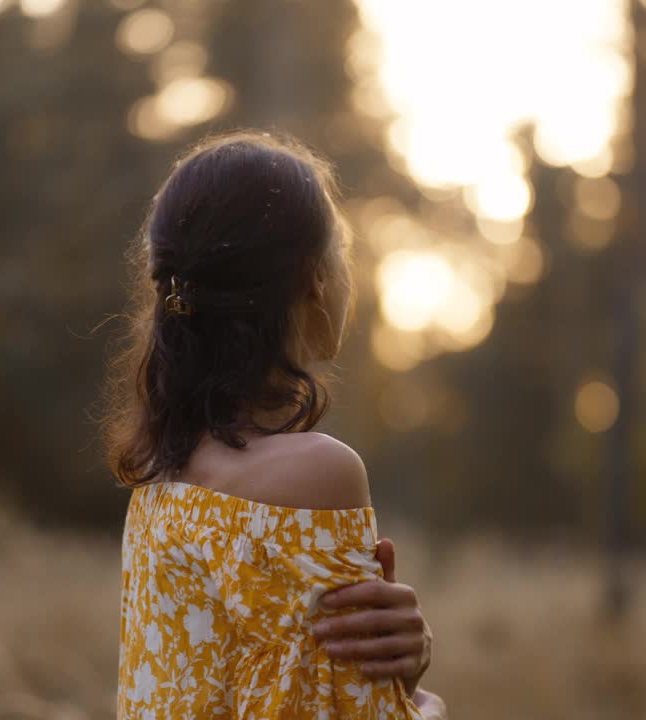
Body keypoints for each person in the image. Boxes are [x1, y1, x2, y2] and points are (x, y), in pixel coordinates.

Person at [102, 131, 447, 719]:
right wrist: (427, 701)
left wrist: (401, 677)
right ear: (314, 275)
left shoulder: (160, 483)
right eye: (343, 247)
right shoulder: (314, 474)